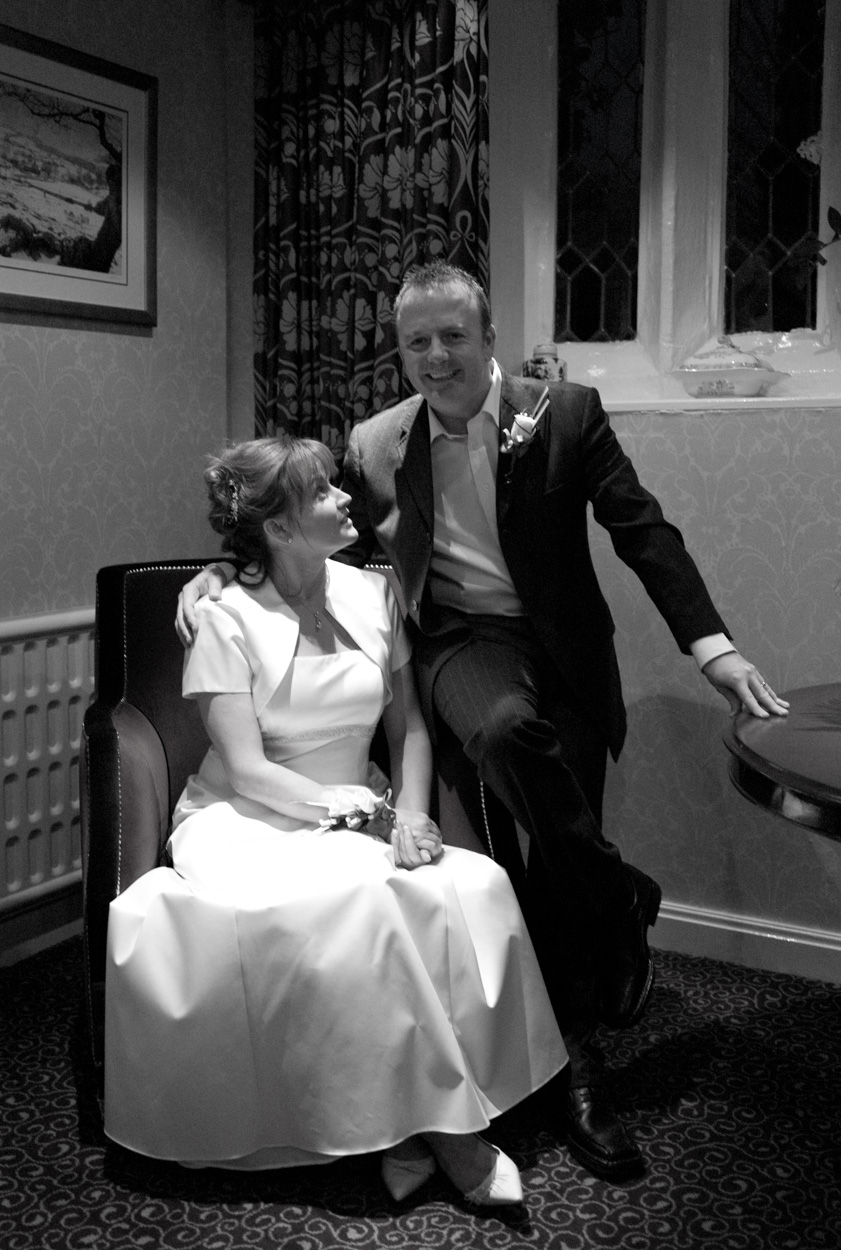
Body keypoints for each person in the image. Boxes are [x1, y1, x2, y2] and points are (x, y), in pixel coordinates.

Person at [176, 263, 788, 1180]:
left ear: (488, 335)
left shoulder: (567, 414)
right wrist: (222, 572)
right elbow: (286, 517)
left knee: (554, 847)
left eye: (451, 336)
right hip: (463, 644)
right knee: (501, 734)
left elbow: (643, 531)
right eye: (414, 340)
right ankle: (594, 1011)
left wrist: (715, 649)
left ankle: (571, 1015)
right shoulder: (377, 441)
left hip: (568, 654)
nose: (432, 356)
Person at [106, 435, 568, 1208]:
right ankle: (451, 1135)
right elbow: (248, 770)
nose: (346, 498)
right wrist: (372, 815)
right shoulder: (223, 617)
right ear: (279, 529)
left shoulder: (373, 592)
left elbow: (409, 728)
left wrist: (412, 814)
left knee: (474, 882)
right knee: (361, 899)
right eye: (322, 492)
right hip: (245, 817)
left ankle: (405, 1123)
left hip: (365, 803)